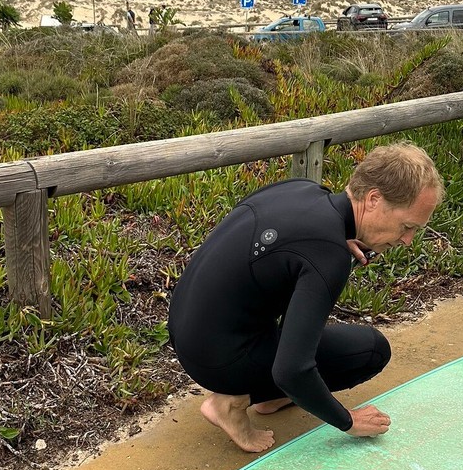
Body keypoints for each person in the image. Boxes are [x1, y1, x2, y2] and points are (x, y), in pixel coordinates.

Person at [168, 142, 444, 453]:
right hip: (216, 359)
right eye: (407, 226)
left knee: (330, 345)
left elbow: (288, 249)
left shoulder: (304, 190)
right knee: (371, 352)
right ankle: (229, 404)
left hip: (185, 329)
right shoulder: (327, 254)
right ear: (374, 199)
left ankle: (269, 397)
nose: (407, 240)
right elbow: (293, 369)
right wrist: (348, 420)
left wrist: (337, 243)